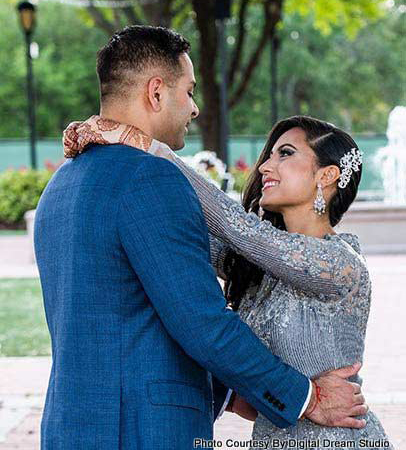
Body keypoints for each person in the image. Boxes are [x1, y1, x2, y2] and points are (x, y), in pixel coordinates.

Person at [36, 26, 366, 450]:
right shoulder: (150, 178)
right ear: (156, 93)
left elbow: (131, 312)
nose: (194, 108)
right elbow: (202, 323)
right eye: (189, 91)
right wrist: (306, 397)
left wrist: (233, 394)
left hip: (72, 426)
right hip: (141, 431)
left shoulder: (61, 184)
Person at [80, 114, 391, 448]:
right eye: (269, 155)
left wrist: (151, 149)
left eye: (285, 154)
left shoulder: (341, 265)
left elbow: (237, 227)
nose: (264, 168)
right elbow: (180, 233)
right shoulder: (256, 268)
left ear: (327, 175)